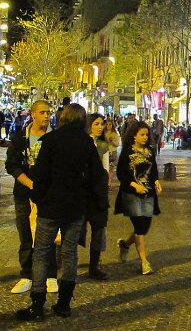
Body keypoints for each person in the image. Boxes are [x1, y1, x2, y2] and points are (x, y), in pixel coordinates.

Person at [16, 103, 106, 321]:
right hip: (75, 207)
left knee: (42, 253)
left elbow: (40, 173)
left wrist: (37, 197)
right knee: (69, 253)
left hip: (50, 206)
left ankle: (37, 305)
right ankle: (64, 304)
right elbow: (97, 175)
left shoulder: (51, 140)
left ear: (63, 118)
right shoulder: (87, 143)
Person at [4, 100, 58, 295]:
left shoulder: (55, 138)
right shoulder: (19, 138)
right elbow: (11, 165)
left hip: (48, 196)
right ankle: (26, 275)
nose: (46, 115)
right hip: (24, 195)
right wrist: (29, 183)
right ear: (33, 114)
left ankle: (51, 276)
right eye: (42, 112)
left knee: (48, 236)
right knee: (25, 236)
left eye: (48, 112)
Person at [115, 121, 162, 275]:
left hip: (148, 193)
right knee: (140, 226)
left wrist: (156, 181)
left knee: (143, 227)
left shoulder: (150, 150)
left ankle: (125, 244)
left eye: (146, 135)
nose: (145, 137)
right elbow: (121, 173)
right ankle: (144, 262)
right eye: (141, 134)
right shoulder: (127, 152)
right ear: (134, 136)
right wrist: (135, 186)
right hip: (131, 194)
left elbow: (153, 169)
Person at [82, 113, 110, 280]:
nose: (100, 127)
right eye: (97, 123)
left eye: (102, 124)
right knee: (75, 229)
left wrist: (103, 186)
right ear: (89, 125)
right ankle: (63, 260)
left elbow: (106, 169)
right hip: (82, 193)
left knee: (98, 230)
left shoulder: (102, 145)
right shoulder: (81, 143)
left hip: (98, 193)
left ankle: (94, 266)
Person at [103, 118, 121, 183]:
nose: (108, 126)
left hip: (112, 153)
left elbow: (117, 144)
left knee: (111, 169)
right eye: (107, 124)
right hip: (105, 152)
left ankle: (109, 183)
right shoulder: (103, 133)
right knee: (105, 168)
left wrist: (112, 141)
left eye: (110, 124)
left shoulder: (115, 134)